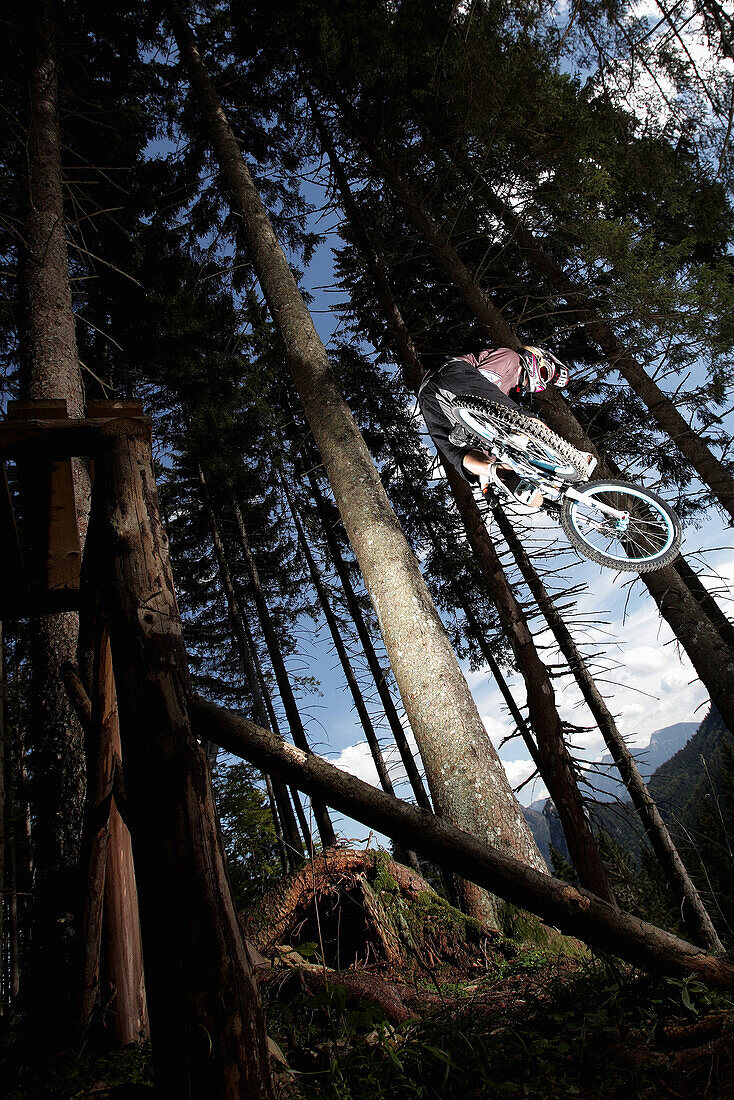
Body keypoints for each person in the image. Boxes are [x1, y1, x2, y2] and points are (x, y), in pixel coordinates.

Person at [418, 345, 570, 508]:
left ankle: (491, 470)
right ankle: (567, 452)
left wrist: (486, 487)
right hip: (451, 373)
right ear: (536, 358)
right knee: (516, 416)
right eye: (544, 373)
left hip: (428, 397)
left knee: (458, 453)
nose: (542, 383)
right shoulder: (511, 358)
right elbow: (481, 381)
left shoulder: (507, 387)